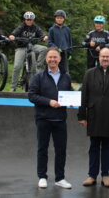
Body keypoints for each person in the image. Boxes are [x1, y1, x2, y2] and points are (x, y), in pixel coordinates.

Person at [78, 47, 109, 188]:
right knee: (93, 146)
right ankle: (92, 175)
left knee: (107, 147)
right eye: (103, 56)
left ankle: (105, 175)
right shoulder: (89, 73)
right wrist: (82, 115)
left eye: (107, 56)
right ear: (99, 58)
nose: (105, 59)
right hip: (93, 115)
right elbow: (83, 95)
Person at [28, 47, 73, 189]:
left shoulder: (66, 76)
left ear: (59, 59)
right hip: (43, 119)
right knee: (42, 149)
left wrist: (72, 101)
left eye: (55, 57)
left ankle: (60, 178)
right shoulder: (38, 77)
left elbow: (70, 93)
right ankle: (42, 177)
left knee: (61, 150)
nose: (53, 59)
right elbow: (32, 96)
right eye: (50, 57)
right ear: (46, 59)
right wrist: (49, 102)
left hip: (60, 119)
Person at [9, 11, 48, 92]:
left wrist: (44, 37)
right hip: (21, 48)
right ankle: (13, 87)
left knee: (44, 49)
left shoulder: (35, 27)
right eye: (27, 20)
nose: (29, 21)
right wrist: (12, 36)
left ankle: (38, 65)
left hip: (32, 47)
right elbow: (14, 32)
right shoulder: (21, 27)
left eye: (31, 20)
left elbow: (41, 34)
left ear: (33, 20)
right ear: (25, 20)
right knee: (17, 67)